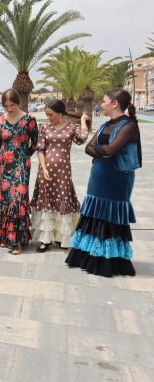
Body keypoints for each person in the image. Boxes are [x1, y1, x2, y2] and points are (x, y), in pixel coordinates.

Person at [66, 89, 141, 277]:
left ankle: (107, 262)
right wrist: (102, 150)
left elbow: (111, 149)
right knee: (94, 214)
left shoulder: (128, 126)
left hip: (116, 180)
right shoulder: (106, 124)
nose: (101, 103)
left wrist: (99, 150)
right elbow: (90, 148)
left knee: (109, 216)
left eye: (105, 101)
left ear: (115, 103)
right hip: (98, 177)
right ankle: (89, 257)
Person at [31, 100, 89, 252]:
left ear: (60, 113)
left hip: (63, 173)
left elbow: (82, 139)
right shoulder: (44, 127)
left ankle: (62, 238)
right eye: (47, 115)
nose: (48, 117)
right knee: (46, 203)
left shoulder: (71, 127)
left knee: (62, 201)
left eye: (50, 115)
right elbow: (41, 149)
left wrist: (83, 121)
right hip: (46, 172)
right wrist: (43, 168)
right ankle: (45, 240)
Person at [0, 89, 39, 255]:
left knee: (17, 200)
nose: (9, 108)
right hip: (3, 166)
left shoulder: (29, 120)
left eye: (12, 105)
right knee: (4, 200)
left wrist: (24, 156)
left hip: (21, 165)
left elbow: (36, 142)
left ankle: (17, 241)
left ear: (18, 102)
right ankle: (5, 236)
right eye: (6, 105)